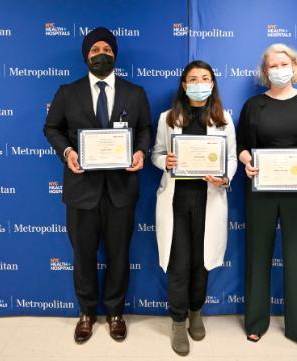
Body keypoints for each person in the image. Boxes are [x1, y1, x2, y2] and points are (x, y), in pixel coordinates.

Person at [43, 27, 152, 343]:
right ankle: (87, 312)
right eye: (94, 50)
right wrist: (68, 151)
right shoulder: (67, 92)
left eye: (106, 48)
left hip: (122, 189)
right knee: (83, 255)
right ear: (86, 56)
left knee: (119, 254)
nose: (101, 53)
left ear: (114, 54)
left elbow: (145, 128)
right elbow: (52, 128)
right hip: (81, 190)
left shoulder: (136, 93)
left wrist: (141, 151)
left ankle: (116, 312)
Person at [236, 43, 297, 356]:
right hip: (261, 190)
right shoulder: (254, 106)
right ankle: (256, 323)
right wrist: (247, 162)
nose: (278, 69)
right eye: (272, 66)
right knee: (257, 254)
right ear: (265, 72)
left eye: (283, 63)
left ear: (294, 65)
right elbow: (241, 146)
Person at [152, 60, 237, 356]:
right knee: (178, 263)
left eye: (205, 78)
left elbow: (232, 159)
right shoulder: (167, 118)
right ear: (184, 85)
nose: (199, 82)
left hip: (208, 199)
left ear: (212, 83)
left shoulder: (224, 119)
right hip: (176, 200)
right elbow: (157, 154)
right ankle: (178, 321)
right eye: (193, 78)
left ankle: (196, 313)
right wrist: (166, 162)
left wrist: (224, 176)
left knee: (201, 261)